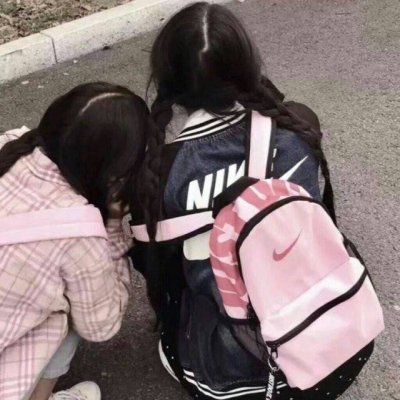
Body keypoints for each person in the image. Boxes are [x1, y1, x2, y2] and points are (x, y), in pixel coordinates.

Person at [129, 2, 345, 400]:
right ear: (248, 66)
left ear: (167, 82)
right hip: (327, 341)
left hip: (227, 370)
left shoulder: (159, 174)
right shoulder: (296, 131)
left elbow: (157, 270)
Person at [0, 82, 148, 400]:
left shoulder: (10, 144)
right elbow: (100, 325)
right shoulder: (79, 231)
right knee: (71, 306)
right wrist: (112, 227)